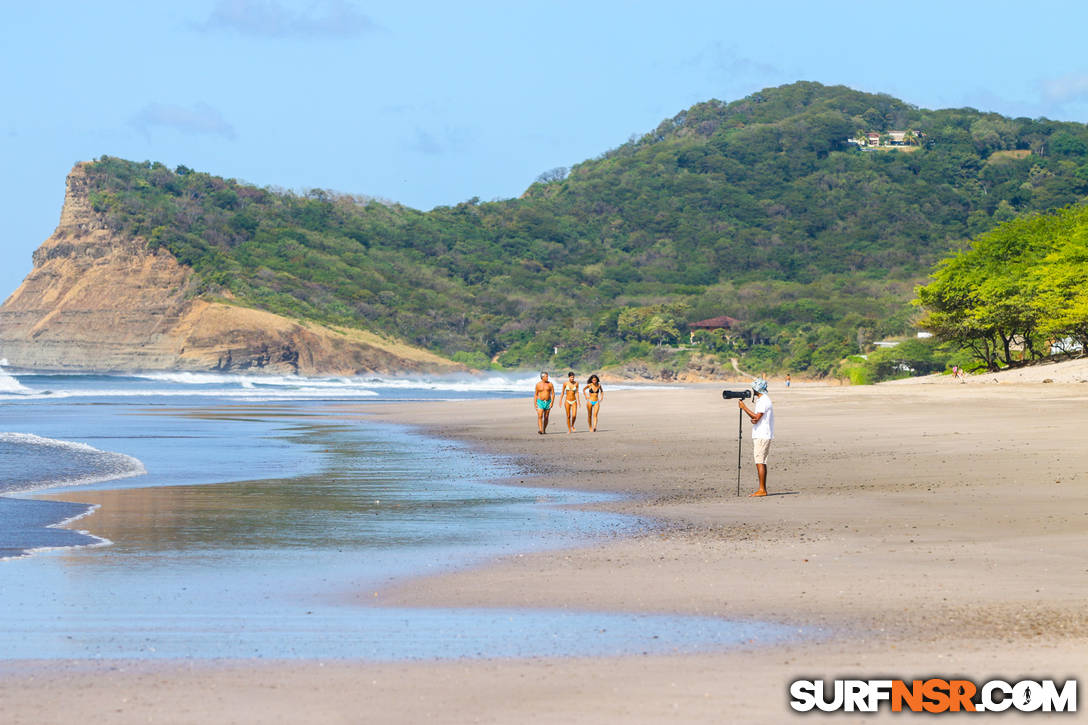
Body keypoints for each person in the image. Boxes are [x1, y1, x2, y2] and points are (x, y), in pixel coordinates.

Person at [738, 377, 774, 497]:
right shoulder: (763, 399)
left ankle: (762, 489)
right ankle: (762, 488)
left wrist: (744, 408)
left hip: (762, 435)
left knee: (759, 461)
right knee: (761, 461)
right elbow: (758, 418)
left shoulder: (763, 400)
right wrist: (754, 420)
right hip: (764, 433)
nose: (752, 390)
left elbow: (757, 417)